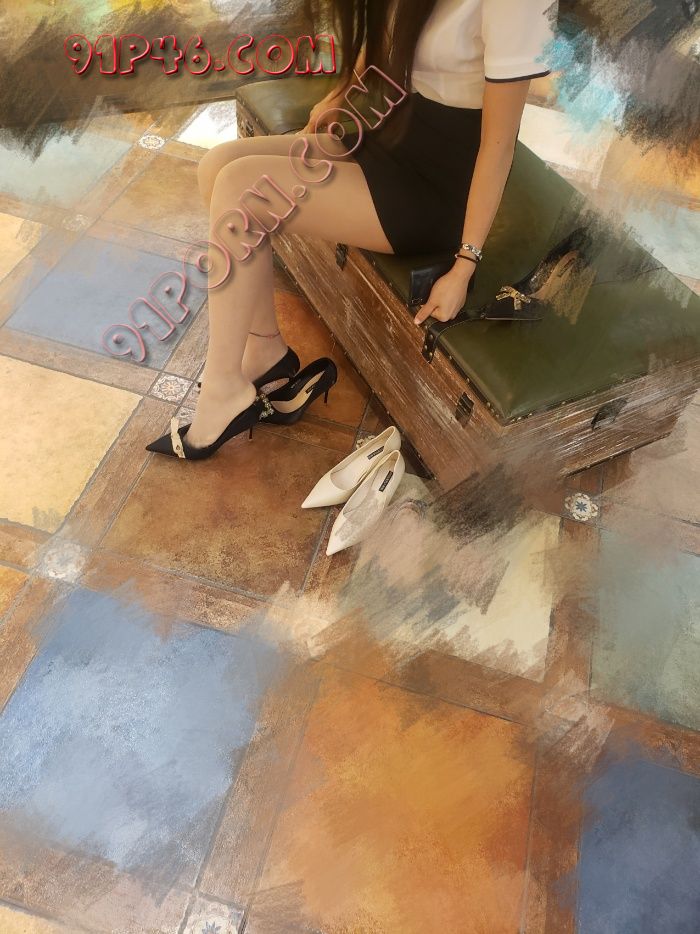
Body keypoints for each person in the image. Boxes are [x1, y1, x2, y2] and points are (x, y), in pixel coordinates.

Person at [146, 0, 556, 459]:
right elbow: (393, 36)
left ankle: (224, 388)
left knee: (244, 191)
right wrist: (341, 94)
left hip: (434, 188)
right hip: (390, 133)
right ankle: (264, 352)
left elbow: (498, 148)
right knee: (217, 166)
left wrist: (465, 263)